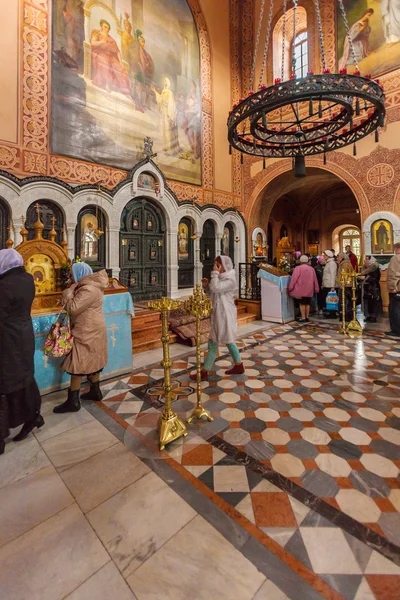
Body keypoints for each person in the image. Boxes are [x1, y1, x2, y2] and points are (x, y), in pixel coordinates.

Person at [0, 249, 44, 454]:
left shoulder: (4, 285)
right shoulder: (27, 279)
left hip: (7, 338)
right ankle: (33, 414)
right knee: (24, 377)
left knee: (5, 382)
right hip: (24, 334)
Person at [53, 262, 109, 413]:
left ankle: (73, 402)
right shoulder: (91, 286)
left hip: (87, 330)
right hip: (91, 327)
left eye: (72, 274)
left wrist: (68, 292)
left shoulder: (88, 289)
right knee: (93, 359)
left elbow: (73, 308)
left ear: (80, 273)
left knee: (77, 363)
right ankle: (95, 392)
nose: (71, 277)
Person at [190, 256, 244, 381]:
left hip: (225, 315)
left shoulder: (231, 280)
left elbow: (217, 288)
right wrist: (206, 286)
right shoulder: (220, 278)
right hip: (218, 313)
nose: (215, 266)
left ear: (223, 266)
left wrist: (214, 274)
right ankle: (238, 365)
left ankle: (205, 372)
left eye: (217, 264)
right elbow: (212, 292)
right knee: (217, 341)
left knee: (224, 341)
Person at [90, 19, 131, 96]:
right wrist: (101, 42)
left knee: (120, 68)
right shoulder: (97, 33)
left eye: (108, 28)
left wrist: (121, 63)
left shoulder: (111, 39)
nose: (107, 29)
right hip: (100, 53)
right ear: (101, 26)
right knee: (104, 63)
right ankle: (107, 84)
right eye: (105, 27)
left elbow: (117, 51)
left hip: (111, 56)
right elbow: (93, 43)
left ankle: (124, 89)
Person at [152, 78, 181, 155]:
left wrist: (170, 113)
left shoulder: (169, 93)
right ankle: (165, 146)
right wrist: (155, 91)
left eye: (165, 81)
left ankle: (169, 147)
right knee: (164, 128)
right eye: (163, 81)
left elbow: (171, 104)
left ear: (168, 83)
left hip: (167, 112)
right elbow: (160, 100)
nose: (164, 82)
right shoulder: (163, 92)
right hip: (163, 111)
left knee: (168, 129)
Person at [288, 255, 319, 323]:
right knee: (308, 303)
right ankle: (307, 317)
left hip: (300, 289)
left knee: (302, 303)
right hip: (309, 289)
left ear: (300, 261)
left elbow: (294, 279)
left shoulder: (298, 268)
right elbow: (315, 280)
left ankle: (303, 317)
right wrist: (316, 288)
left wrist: (290, 287)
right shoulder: (312, 269)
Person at [359, 256, 381, 322]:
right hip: (368, 288)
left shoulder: (374, 268)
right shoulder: (366, 267)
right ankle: (368, 316)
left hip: (373, 288)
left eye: (367, 259)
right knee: (368, 303)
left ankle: (373, 317)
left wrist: (365, 278)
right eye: (365, 259)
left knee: (373, 303)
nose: (365, 260)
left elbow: (375, 279)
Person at [386, 242, 400, 336]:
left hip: (397, 288)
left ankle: (396, 330)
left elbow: (393, 274)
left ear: (397, 249)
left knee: (395, 309)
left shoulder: (396, 258)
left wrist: (392, 287)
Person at [336, 252, 354, 322]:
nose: (338, 258)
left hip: (345, 285)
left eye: (339, 257)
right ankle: (345, 315)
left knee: (345, 301)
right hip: (346, 285)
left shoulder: (345, 264)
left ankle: (346, 316)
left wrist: (341, 285)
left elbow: (344, 275)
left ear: (342, 257)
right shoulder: (344, 263)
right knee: (346, 301)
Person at [321, 250, 338, 318]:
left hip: (330, 285)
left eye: (324, 255)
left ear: (328, 256)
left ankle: (332, 313)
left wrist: (332, 286)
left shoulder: (332, 263)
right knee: (328, 299)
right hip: (326, 284)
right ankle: (330, 312)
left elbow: (333, 275)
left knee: (331, 299)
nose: (323, 256)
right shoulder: (328, 263)